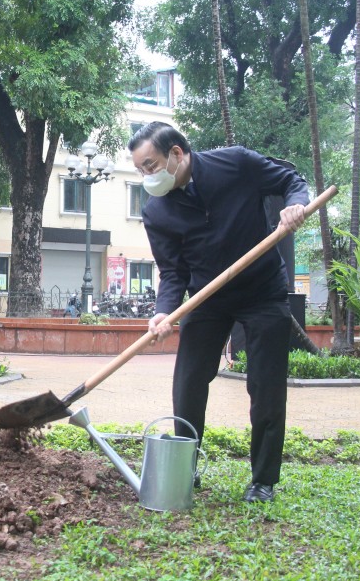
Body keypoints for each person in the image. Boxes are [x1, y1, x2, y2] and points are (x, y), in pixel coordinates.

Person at [128, 122, 307, 504]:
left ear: (176, 154)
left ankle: (263, 481)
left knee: (266, 386)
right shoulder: (157, 211)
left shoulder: (236, 164)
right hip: (206, 298)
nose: (147, 175)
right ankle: (184, 466)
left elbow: (290, 179)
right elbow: (173, 272)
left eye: (150, 164)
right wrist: (164, 313)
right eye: (141, 169)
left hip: (262, 291)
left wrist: (295, 204)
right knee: (189, 381)